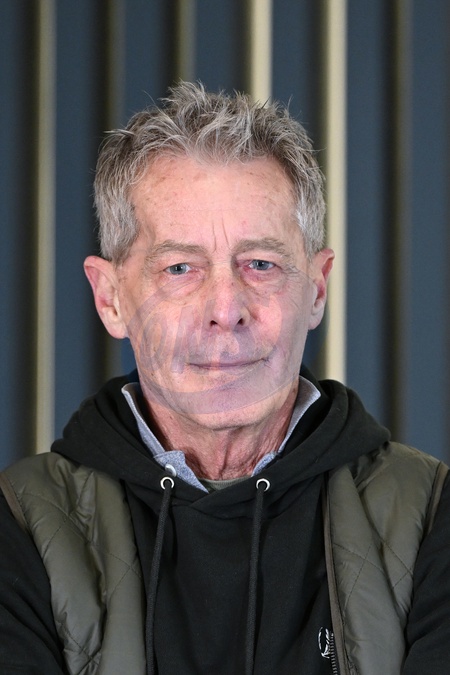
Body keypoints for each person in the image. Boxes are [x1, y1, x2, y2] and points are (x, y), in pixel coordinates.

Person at [0, 81, 449, 675]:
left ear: (316, 289)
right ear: (111, 298)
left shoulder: (431, 515)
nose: (226, 308)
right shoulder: (21, 524)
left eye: (260, 264)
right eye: (179, 268)